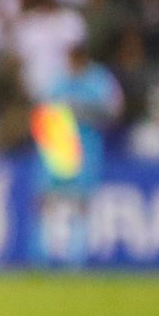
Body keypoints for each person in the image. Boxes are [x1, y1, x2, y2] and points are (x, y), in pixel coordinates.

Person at [32, 41, 122, 266]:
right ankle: (42, 252)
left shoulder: (100, 79)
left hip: (86, 146)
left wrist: (79, 111)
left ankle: (77, 254)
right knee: (46, 198)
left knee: (81, 200)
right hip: (57, 146)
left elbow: (114, 111)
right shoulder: (58, 78)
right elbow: (41, 111)